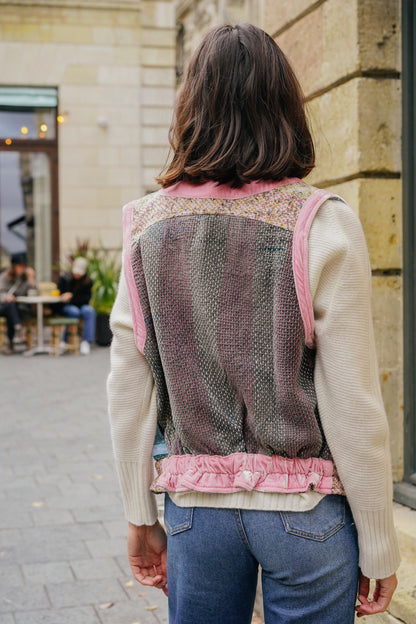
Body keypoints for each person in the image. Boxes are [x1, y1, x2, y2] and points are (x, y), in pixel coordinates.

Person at [107, 23, 400, 624]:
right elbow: (353, 402)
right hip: (307, 515)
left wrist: (140, 513)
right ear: (286, 107)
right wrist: (378, 539)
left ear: (191, 108)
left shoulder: (145, 228)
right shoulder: (322, 223)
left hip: (196, 512)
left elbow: (128, 390)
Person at [57, 256, 96, 355]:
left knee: (89, 311)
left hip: (82, 305)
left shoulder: (88, 281)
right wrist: (64, 296)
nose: (77, 274)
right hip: (67, 306)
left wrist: (72, 296)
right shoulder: (65, 278)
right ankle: (65, 340)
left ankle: (86, 341)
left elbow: (86, 299)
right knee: (74, 311)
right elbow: (59, 295)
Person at [0, 252, 36, 354]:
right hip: (3, 306)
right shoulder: (4, 276)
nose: (21, 268)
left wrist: (31, 279)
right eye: (19, 266)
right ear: (14, 266)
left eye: (23, 266)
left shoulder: (25, 279)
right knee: (10, 306)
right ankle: (18, 329)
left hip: (17, 308)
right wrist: (6, 297)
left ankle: (12, 339)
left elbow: (34, 292)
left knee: (11, 311)